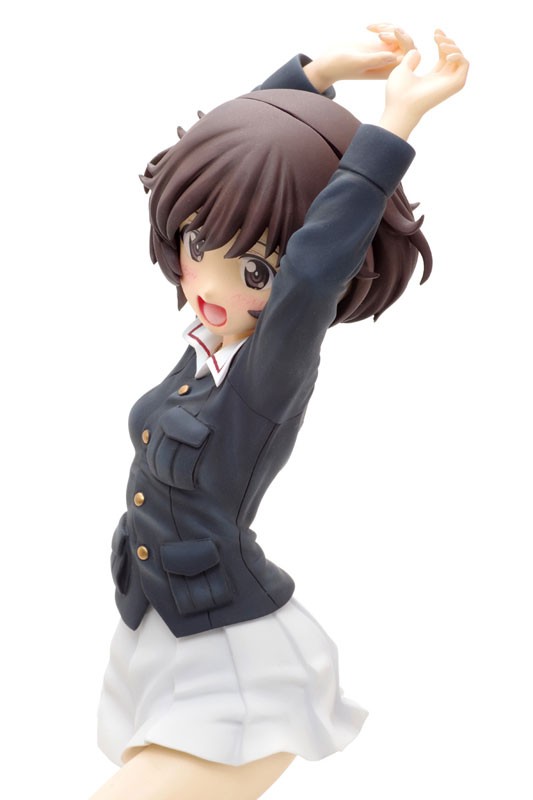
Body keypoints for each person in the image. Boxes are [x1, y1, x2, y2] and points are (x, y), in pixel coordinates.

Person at [91, 25, 468, 800]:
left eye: (253, 271)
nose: (209, 284)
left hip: (231, 659)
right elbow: (231, 167)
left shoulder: (264, 377)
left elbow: (313, 268)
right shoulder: (206, 347)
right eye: (199, 244)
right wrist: (314, 75)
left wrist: (394, 123)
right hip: (158, 632)